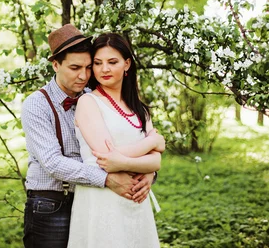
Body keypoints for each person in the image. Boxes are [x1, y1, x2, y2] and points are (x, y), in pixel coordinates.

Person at [21, 25, 156, 248]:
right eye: (74, 68)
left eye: (87, 67)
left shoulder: (95, 97)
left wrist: (149, 171)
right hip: (51, 203)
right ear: (55, 65)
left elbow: (128, 140)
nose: (83, 76)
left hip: (89, 198)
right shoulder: (36, 104)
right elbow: (52, 163)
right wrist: (105, 178)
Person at [67, 33, 164, 248]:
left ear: (127, 63)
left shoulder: (139, 108)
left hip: (136, 200)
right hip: (101, 201)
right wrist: (152, 143)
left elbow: (156, 163)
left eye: (113, 62)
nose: (104, 69)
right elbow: (107, 158)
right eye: (98, 63)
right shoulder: (88, 102)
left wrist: (148, 170)